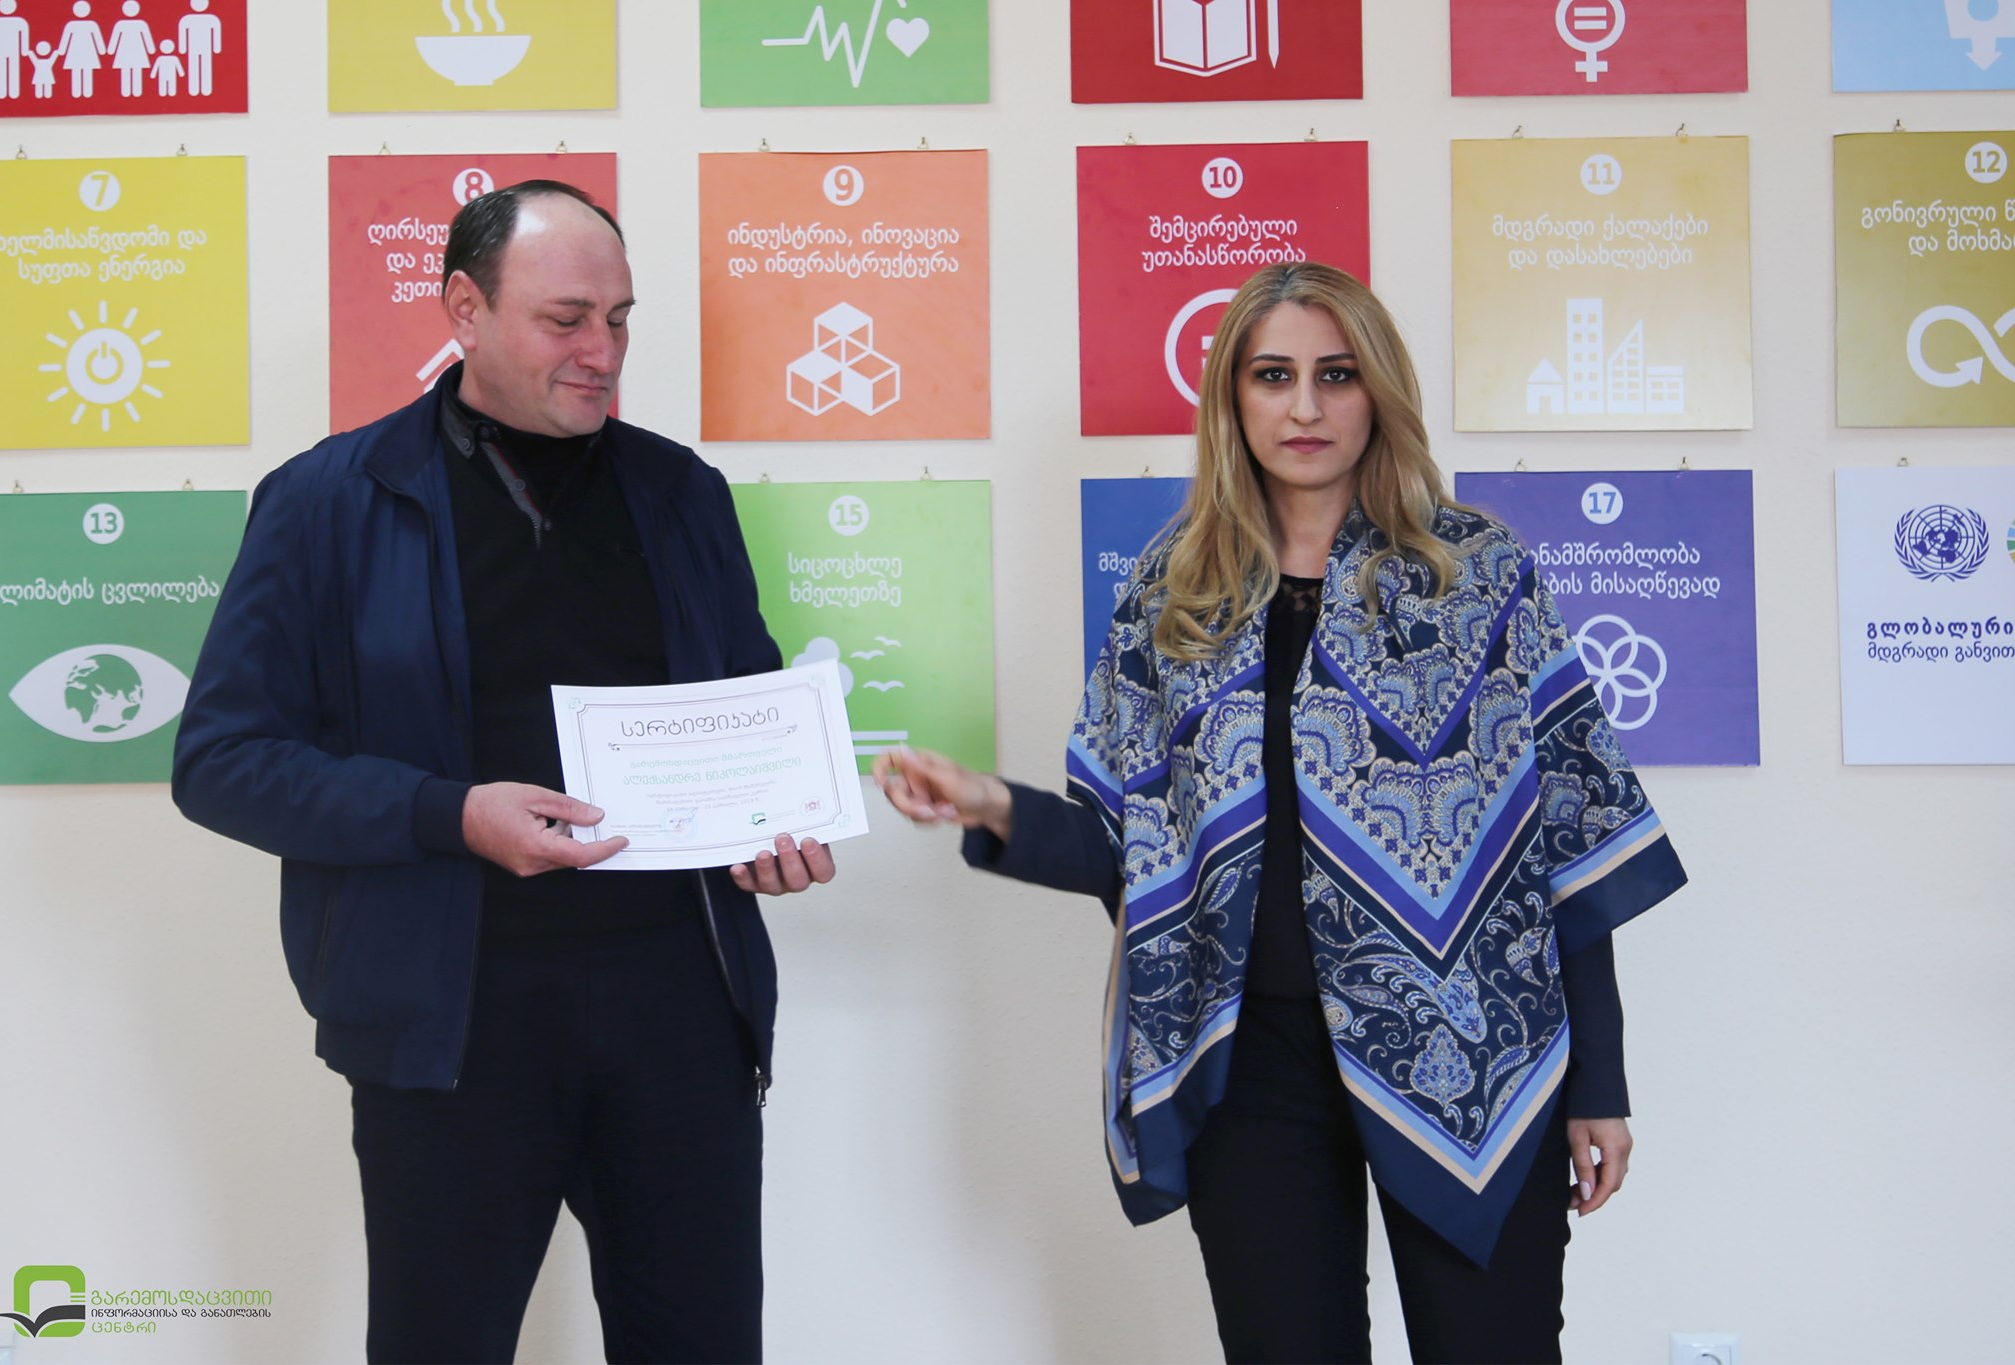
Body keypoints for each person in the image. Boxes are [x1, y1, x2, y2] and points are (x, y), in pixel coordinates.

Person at [874, 262, 1686, 1364]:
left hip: (1471, 1051)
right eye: (1272, 376)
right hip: (1250, 1061)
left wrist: (1600, 1081)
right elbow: (1127, 847)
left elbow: (1567, 847)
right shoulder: (1173, 592)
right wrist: (990, 804)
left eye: (1335, 375)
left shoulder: (1477, 575)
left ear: (1378, 392)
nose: (1304, 407)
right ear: (1232, 397)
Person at [173, 181, 833, 1365]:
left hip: (678, 1014)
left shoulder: (681, 492)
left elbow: (743, 711)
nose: (602, 353)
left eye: (619, 320)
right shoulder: (327, 502)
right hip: (451, 1026)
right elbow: (221, 762)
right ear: (463, 311)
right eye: (565, 320)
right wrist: (449, 815)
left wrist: (772, 829)